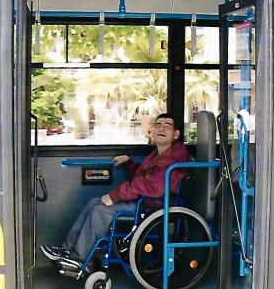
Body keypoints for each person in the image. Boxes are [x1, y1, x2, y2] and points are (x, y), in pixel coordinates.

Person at [41, 113, 190, 267]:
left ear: (176, 134)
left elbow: (152, 187)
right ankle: (67, 249)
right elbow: (145, 178)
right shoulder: (160, 154)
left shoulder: (173, 157)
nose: (161, 129)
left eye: (167, 126)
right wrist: (129, 163)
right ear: (152, 130)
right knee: (94, 202)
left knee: (100, 211)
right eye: (158, 125)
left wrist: (115, 196)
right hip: (147, 201)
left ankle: (78, 258)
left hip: (153, 205)